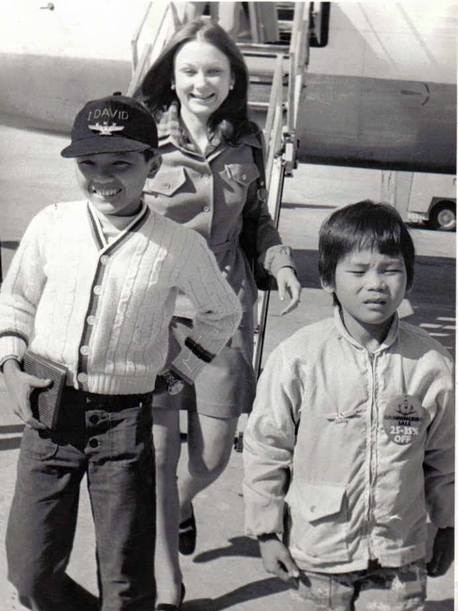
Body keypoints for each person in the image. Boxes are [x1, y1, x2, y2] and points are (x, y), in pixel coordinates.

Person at [0, 93, 242, 611]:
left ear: (152, 165)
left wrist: (179, 374)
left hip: (123, 425)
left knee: (127, 582)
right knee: (29, 571)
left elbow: (223, 312)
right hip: (49, 413)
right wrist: (10, 368)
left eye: (121, 164)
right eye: (88, 163)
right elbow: (16, 299)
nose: (102, 177)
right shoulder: (52, 224)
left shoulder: (177, 245)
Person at [134, 18, 301, 609]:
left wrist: (278, 262)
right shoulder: (143, 138)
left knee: (210, 455)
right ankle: (166, 581)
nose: (200, 82)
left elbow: (255, 218)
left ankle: (182, 503)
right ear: (172, 79)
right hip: (152, 314)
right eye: (189, 71)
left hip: (221, 314)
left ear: (232, 79)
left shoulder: (247, 143)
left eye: (213, 71)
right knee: (158, 452)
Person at [243, 201, 454, 611]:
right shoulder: (299, 358)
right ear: (327, 279)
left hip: (401, 551)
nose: (375, 284)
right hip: (318, 551)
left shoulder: (431, 365)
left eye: (390, 270)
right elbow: (266, 447)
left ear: (408, 279)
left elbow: (446, 456)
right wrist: (266, 531)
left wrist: (446, 525)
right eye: (358, 271)